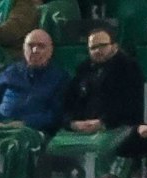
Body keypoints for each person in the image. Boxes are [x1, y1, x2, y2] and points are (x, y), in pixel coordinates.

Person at [0, 27, 66, 168]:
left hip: (31, 131)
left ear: (50, 51)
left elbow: (56, 114)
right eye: (30, 46)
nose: (35, 50)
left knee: (16, 142)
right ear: (24, 49)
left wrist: (23, 123)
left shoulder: (60, 78)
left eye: (41, 46)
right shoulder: (11, 72)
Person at [51, 21, 142, 166]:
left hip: (115, 127)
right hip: (82, 129)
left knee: (97, 148)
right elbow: (69, 102)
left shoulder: (129, 69)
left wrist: (103, 123)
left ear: (114, 46)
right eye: (93, 47)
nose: (98, 50)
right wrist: (72, 123)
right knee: (53, 147)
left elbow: (132, 106)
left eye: (102, 46)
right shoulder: (83, 70)